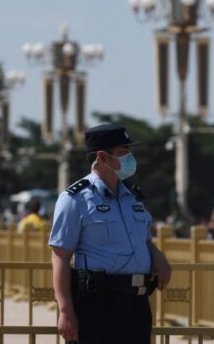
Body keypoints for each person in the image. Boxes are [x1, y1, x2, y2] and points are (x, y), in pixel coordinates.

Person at [49, 123, 172, 344]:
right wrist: (65, 311)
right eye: (123, 152)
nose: (129, 158)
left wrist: (157, 255)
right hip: (98, 303)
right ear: (102, 157)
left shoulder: (132, 196)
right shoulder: (75, 198)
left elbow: (144, 239)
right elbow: (60, 256)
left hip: (136, 302)